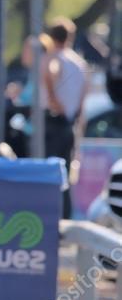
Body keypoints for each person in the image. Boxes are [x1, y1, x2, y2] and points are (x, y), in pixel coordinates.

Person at [44, 17, 87, 218]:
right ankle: (64, 218)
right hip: (70, 123)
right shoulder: (80, 63)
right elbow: (83, 98)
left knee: (46, 173)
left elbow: (50, 72)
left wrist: (52, 97)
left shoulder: (55, 58)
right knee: (65, 176)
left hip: (53, 121)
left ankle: (48, 217)